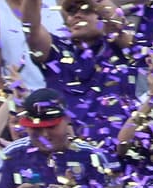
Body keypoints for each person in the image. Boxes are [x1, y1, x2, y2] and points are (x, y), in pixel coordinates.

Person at [21, 0, 137, 150]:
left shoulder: (121, 50)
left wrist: (97, 5)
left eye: (86, 10)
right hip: (67, 158)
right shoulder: (56, 52)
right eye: (71, 11)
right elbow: (30, 27)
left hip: (117, 158)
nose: (77, 15)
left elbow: (118, 23)